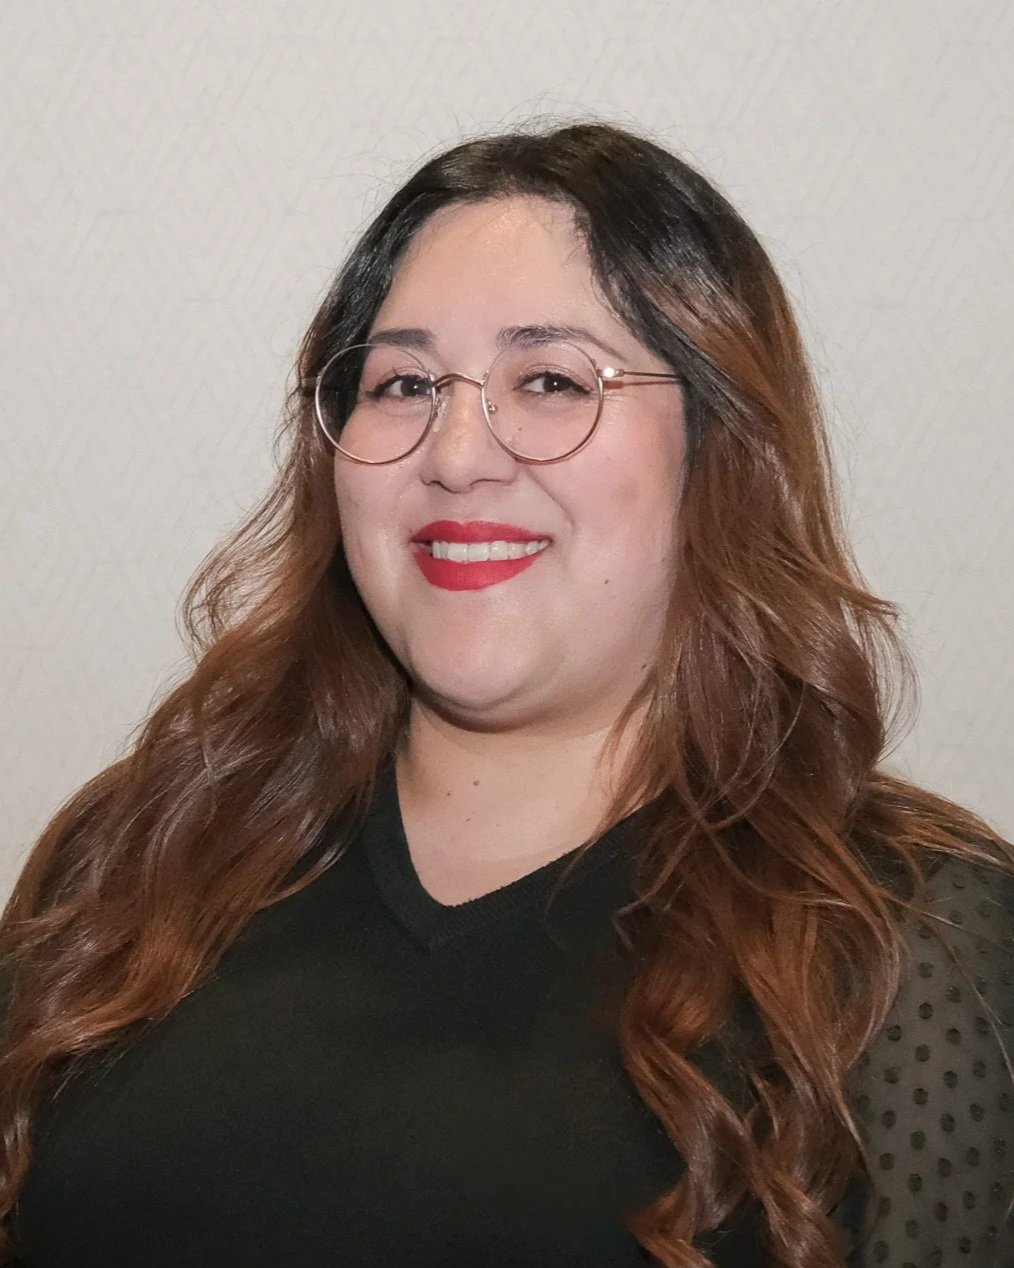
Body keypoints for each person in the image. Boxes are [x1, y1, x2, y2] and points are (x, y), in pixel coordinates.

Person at [1, 121, 1011, 1268]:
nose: (459, 450)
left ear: (721, 446)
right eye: (405, 382)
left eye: (548, 378)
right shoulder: (137, 856)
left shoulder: (912, 943)